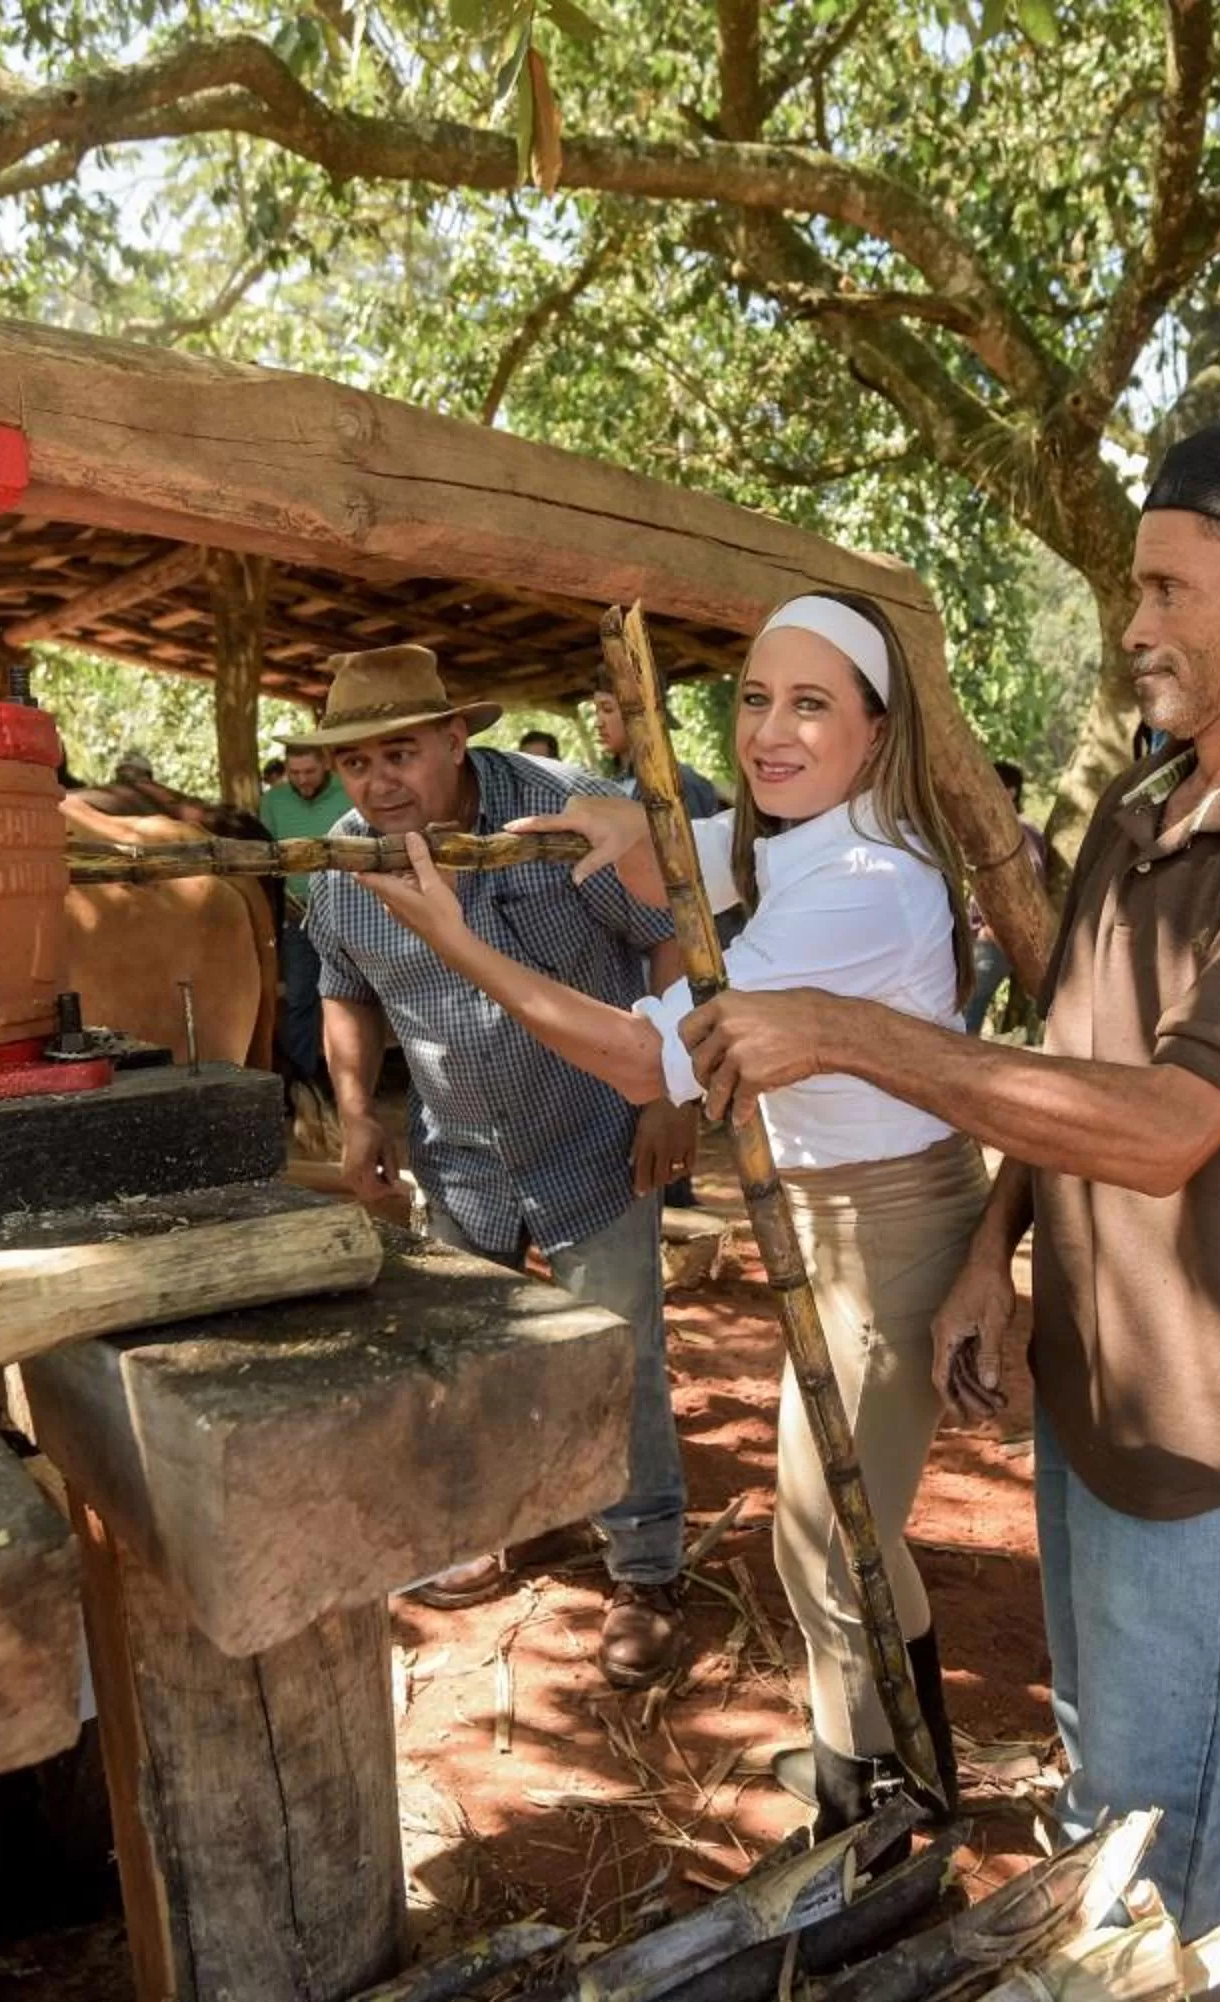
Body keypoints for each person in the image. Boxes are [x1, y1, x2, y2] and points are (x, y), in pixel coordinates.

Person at [666, 412, 1220, 1935]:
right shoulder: (1145, 810)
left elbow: (1161, 1123)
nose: (1134, 623)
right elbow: (1069, 1042)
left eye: (1166, 589)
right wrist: (990, 1253)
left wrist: (843, 1030)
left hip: (1212, 1421)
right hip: (1096, 1375)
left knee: (1147, 1837)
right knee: (1099, 1758)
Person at [360, 594, 984, 1833]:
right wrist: (620, 816)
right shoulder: (811, 836)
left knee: (828, 1540)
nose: (772, 732)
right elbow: (714, 842)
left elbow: (653, 1062)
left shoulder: (867, 880)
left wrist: (458, 945)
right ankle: (887, 1766)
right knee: (839, 1538)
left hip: (889, 1225)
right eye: (757, 699)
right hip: (828, 1213)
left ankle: (884, 1815)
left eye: (812, 704)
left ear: (878, 725)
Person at [299, 646, 699, 1681]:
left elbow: (671, 938)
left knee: (622, 1356)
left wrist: (668, 1092)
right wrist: (354, 1113)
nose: (379, 782)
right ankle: (484, 1531)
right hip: (461, 1156)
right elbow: (345, 989)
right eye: (357, 765)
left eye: (402, 753)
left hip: (597, 1137)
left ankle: (646, 1567)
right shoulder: (345, 868)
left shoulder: (566, 816)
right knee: (469, 1355)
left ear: (453, 739)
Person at [258, 740, 355, 1098]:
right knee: (300, 998)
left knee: (355, 995)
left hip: (349, 910)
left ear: (326, 764)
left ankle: (354, 1080)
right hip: (297, 915)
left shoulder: (350, 793)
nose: (302, 780)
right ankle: (302, 1082)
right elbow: (267, 859)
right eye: (294, 773)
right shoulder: (273, 801)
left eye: (309, 772)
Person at [963, 760, 1049, 1037]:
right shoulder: (997, 829)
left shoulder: (1020, 832)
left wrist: (994, 929)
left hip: (994, 940)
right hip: (980, 938)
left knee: (964, 1015)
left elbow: (1026, 881)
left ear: (1010, 792)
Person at [589, 686, 722, 818]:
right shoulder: (610, 787)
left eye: (607, 709)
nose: (598, 723)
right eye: (596, 712)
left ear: (639, 713)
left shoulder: (680, 783)